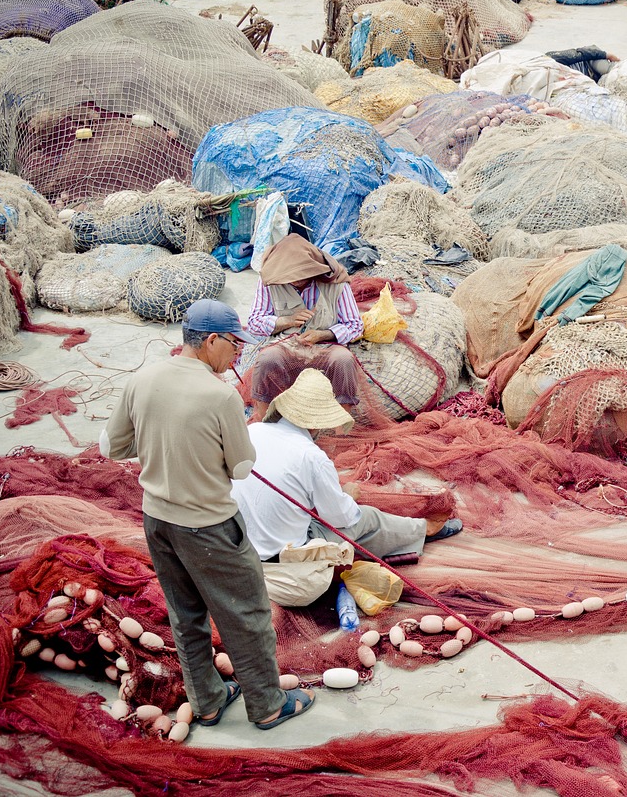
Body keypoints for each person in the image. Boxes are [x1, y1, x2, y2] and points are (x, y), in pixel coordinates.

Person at [101, 299, 316, 730]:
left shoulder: (142, 379)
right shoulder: (219, 395)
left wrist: (162, 443)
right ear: (211, 340)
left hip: (158, 523)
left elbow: (111, 448)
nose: (238, 353)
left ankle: (208, 701)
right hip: (210, 527)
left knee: (186, 614)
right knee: (247, 615)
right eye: (234, 343)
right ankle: (269, 705)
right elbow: (241, 468)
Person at [232, 368, 463, 565]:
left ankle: (411, 534)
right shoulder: (312, 455)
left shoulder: (250, 431)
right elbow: (342, 518)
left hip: (239, 545)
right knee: (368, 518)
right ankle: (424, 530)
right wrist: (348, 496)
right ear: (318, 423)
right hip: (286, 553)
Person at [244, 234, 364, 420]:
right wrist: (287, 321)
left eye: (300, 277)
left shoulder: (336, 282)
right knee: (267, 359)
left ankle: (340, 429)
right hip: (286, 345)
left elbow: (355, 325)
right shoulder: (270, 279)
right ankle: (265, 421)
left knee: (344, 360)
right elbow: (254, 322)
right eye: (289, 278)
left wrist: (323, 335)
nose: (294, 282)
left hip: (325, 347)